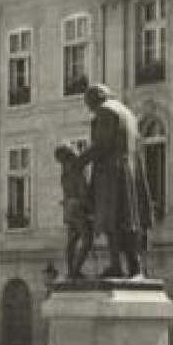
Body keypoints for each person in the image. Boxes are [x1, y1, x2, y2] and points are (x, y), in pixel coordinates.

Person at [74, 83, 154, 279]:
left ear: (97, 98)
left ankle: (123, 267)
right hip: (131, 172)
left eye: (89, 103)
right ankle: (132, 267)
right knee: (128, 221)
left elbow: (102, 144)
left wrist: (79, 161)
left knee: (112, 221)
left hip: (112, 174)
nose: (90, 109)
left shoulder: (105, 111)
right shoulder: (129, 114)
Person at [54, 143, 94, 280]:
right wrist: (90, 209)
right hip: (78, 208)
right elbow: (83, 191)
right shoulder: (77, 169)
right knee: (87, 240)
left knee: (72, 241)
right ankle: (75, 270)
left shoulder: (64, 173)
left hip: (68, 209)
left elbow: (67, 192)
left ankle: (71, 270)